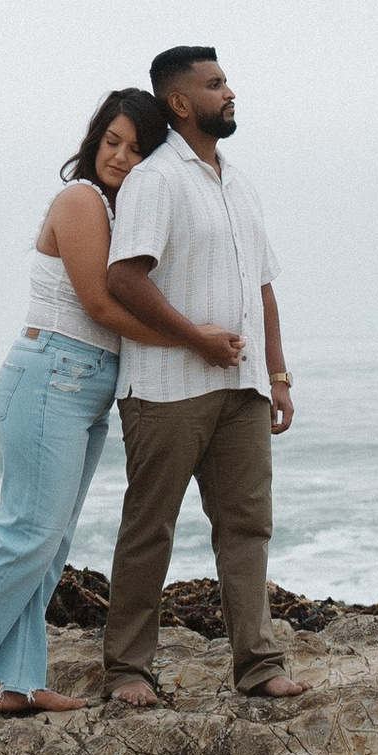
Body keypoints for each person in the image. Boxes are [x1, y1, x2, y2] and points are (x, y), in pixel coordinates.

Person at [0, 87, 237, 719]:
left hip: (83, 389)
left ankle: (18, 682)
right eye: (111, 142)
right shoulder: (80, 201)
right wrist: (195, 342)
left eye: (136, 150)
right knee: (30, 533)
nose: (120, 158)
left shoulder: (121, 210)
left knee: (49, 544)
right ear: (93, 139)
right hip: (51, 373)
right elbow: (103, 306)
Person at [98, 46, 299, 709]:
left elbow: (262, 288)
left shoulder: (240, 182)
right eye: (215, 85)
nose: (229, 92)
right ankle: (128, 669)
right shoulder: (156, 181)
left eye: (227, 81)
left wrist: (277, 375)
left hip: (242, 387)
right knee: (149, 527)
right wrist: (196, 337)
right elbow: (124, 276)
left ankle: (258, 663)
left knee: (247, 526)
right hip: (164, 388)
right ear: (180, 102)